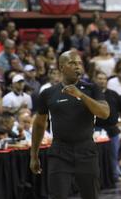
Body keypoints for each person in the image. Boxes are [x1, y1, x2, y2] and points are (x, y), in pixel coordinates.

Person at [30, 50, 110, 199]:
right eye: (72, 63)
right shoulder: (48, 93)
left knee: (90, 196)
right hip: (60, 151)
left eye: (79, 63)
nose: (77, 66)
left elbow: (104, 113)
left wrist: (81, 95)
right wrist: (33, 155)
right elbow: (39, 124)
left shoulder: (92, 89)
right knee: (57, 196)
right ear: (61, 67)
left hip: (86, 150)